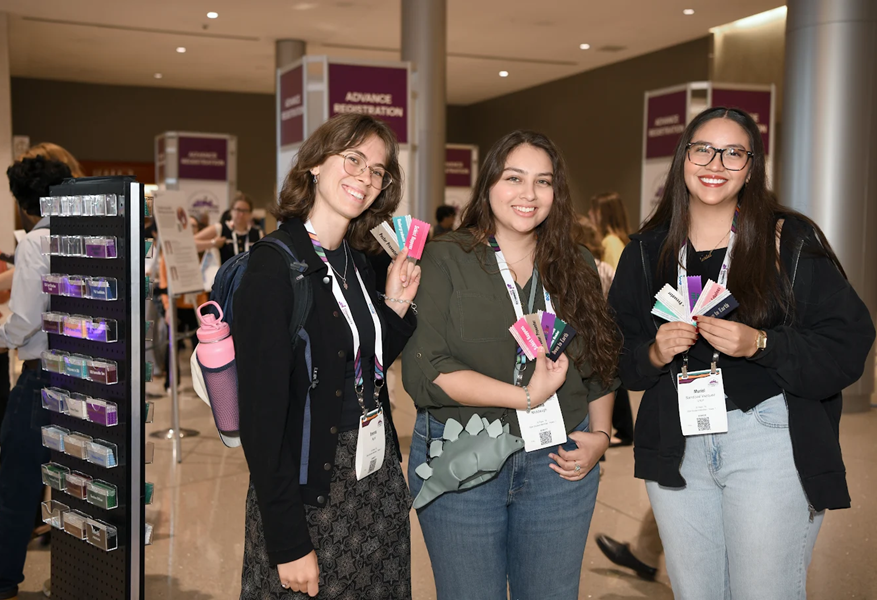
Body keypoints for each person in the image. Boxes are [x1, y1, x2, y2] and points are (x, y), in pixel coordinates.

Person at [609, 106, 875, 599]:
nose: (716, 163)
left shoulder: (785, 240)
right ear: (683, 158)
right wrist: (654, 352)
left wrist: (763, 343)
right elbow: (616, 355)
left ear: (751, 168)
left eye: (734, 153)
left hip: (769, 438)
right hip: (679, 442)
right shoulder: (648, 251)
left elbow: (848, 339)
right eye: (703, 149)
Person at [402, 130, 619, 600]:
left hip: (559, 463)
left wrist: (600, 437)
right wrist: (525, 396)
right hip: (462, 458)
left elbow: (600, 363)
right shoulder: (443, 257)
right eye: (514, 178)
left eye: (543, 182)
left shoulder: (576, 263)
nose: (528, 194)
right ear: (488, 185)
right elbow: (425, 371)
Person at [234, 113, 420, 599]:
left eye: (378, 170)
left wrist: (395, 306)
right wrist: (288, 542)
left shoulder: (357, 261)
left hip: (373, 487)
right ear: (316, 163)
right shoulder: (274, 268)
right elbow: (261, 422)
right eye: (353, 158)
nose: (365, 177)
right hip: (308, 498)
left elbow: (358, 371)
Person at [0, 156, 73, 600]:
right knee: (71, 482)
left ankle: (4, 579)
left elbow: (24, 320)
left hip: (39, 379)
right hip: (81, 380)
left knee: (16, 484)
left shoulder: (35, 242)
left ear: (26, 203)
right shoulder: (86, 238)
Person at [194, 192, 262, 263]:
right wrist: (212, 243)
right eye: (238, 210)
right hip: (225, 273)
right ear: (231, 211)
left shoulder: (258, 233)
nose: (241, 214)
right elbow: (193, 243)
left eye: (245, 211)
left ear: (250, 213)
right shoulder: (220, 228)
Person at [589, 191, 630, 269]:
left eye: (593, 210)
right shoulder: (615, 241)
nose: (589, 213)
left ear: (602, 215)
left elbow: (611, 278)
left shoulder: (610, 243)